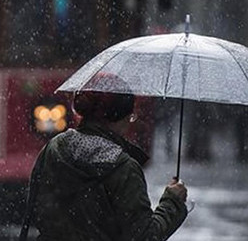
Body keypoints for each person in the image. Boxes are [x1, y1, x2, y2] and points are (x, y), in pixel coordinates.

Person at [21, 89, 188, 240]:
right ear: (119, 117)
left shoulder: (54, 148)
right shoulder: (124, 168)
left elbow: (35, 207)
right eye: (130, 116)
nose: (130, 121)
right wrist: (173, 201)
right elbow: (144, 236)